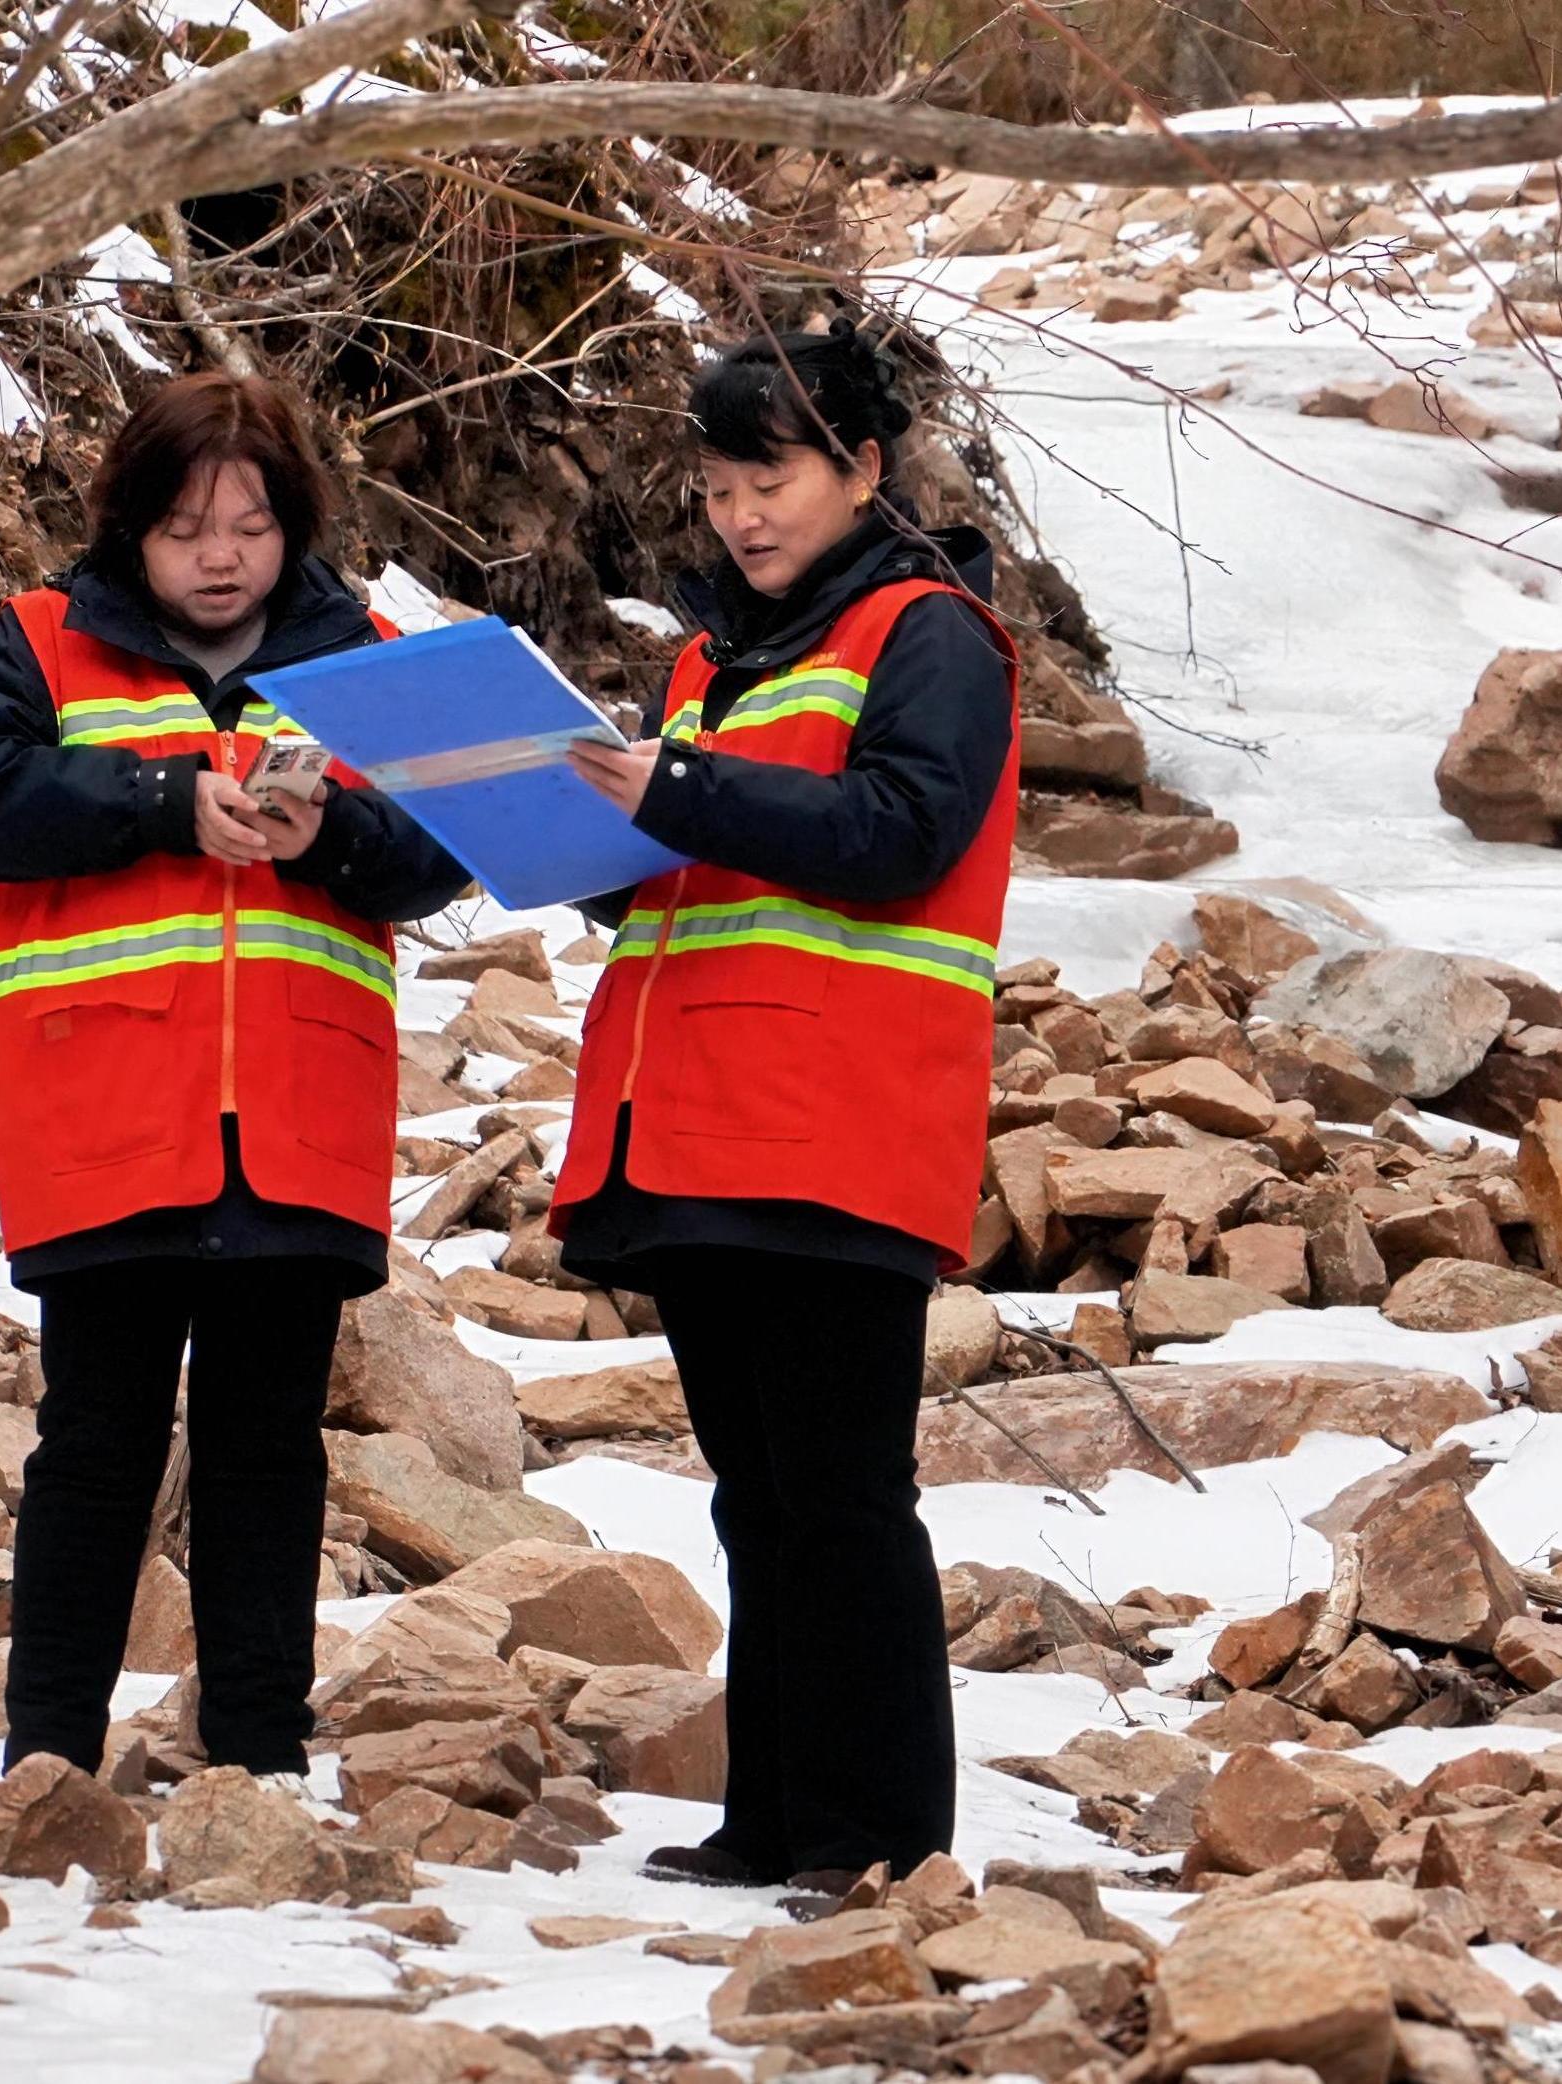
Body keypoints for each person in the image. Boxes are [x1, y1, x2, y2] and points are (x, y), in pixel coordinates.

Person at [0, 372, 471, 1786]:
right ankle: (46, 1760)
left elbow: (443, 851)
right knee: (96, 1441)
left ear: (292, 524)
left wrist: (325, 837)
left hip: (297, 1123)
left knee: (265, 1448)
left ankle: (258, 1760)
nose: (220, 555)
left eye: (248, 524)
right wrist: (167, 802)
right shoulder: (43, 642)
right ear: (132, 531)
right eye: (185, 528)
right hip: (107, 1114)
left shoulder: (366, 656)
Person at [547, 327, 1019, 1892]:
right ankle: (780, 1819)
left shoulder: (929, 632)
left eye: (774, 478)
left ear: (863, 470)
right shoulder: (715, 656)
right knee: (764, 1500)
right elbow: (705, 877)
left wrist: (674, 798)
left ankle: (883, 1836)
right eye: (718, 482)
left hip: (838, 1122)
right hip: (699, 1122)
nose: (742, 513)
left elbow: (898, 833)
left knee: (841, 1500)